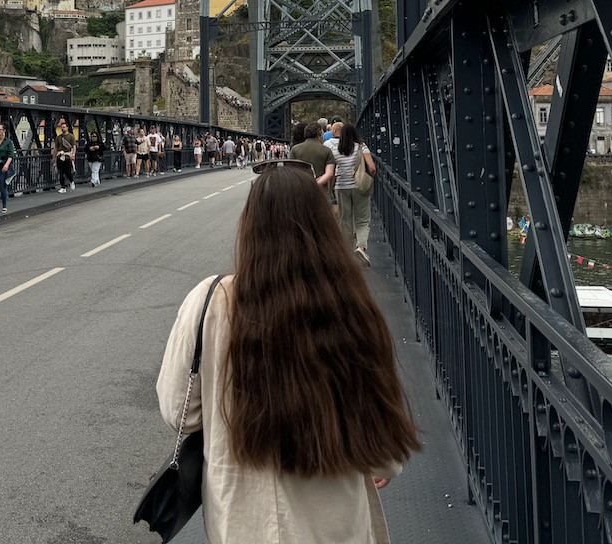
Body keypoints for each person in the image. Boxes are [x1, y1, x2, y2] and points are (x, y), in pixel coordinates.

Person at [155, 163, 419, 542]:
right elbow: (379, 425)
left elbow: (178, 409)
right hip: (334, 523)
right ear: (324, 226)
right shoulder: (349, 304)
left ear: (249, 226)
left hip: (243, 521)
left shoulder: (210, 301)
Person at [324, 124, 377, 265]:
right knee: (363, 220)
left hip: (341, 187)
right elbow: (371, 167)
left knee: (345, 220)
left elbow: (333, 172)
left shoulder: (335, 149)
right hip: (359, 186)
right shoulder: (361, 147)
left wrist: (331, 188)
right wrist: (369, 178)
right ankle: (360, 248)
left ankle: (346, 253)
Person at [290, 123, 335, 201]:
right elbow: (329, 173)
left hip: (300, 189)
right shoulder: (326, 150)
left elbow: (290, 170)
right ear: (320, 134)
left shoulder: (295, 149)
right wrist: (316, 183)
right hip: (320, 191)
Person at [52, 119, 76, 193]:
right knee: (61, 172)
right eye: (61, 127)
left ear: (67, 128)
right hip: (60, 156)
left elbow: (74, 146)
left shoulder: (71, 136)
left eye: (64, 127)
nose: (62, 129)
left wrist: (73, 155)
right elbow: (56, 147)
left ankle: (71, 181)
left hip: (67, 156)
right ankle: (63, 187)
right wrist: (54, 157)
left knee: (68, 171)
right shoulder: (58, 137)